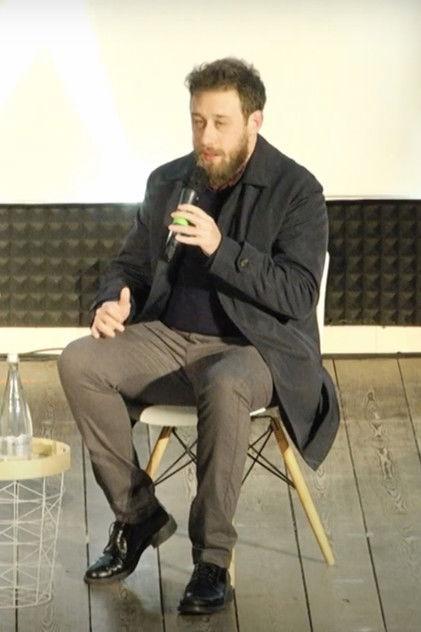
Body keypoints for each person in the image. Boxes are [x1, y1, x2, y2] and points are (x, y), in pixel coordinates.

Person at [58, 57, 339, 615]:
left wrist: (220, 249)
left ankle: (212, 560)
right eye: (197, 121)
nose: (205, 137)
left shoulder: (297, 190)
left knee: (226, 381)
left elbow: (298, 293)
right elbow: (130, 264)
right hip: (169, 338)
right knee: (79, 361)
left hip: (254, 350)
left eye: (220, 123)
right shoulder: (169, 180)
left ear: (254, 122)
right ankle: (137, 517)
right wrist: (113, 299)